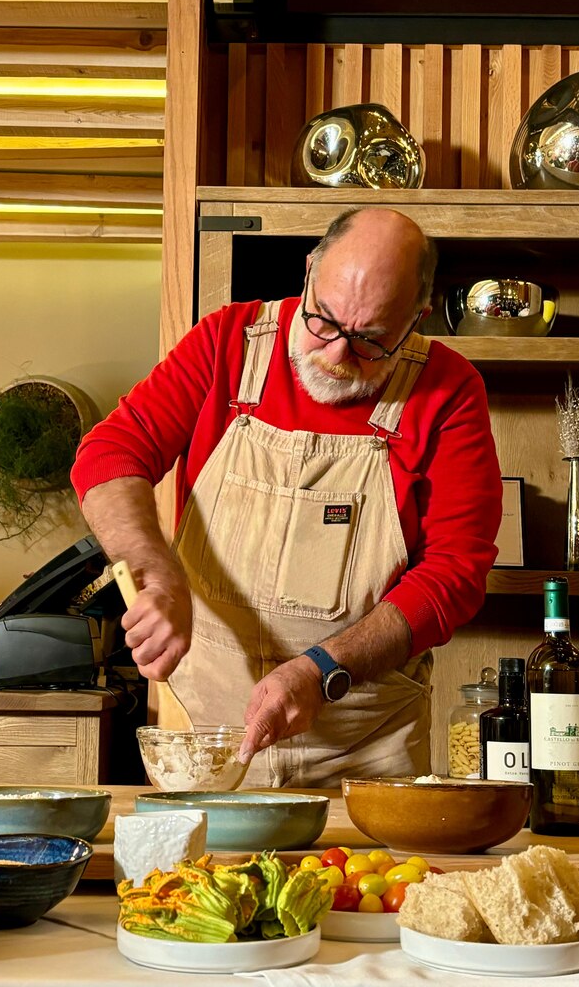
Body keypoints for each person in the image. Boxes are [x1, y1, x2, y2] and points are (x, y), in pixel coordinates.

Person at [71, 207, 503, 787]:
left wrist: (324, 668)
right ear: (309, 271)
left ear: (417, 319)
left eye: (371, 340)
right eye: (323, 320)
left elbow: (455, 573)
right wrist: (157, 573)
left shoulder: (448, 390)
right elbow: (110, 455)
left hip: (363, 751)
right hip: (206, 741)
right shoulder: (227, 342)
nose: (336, 355)